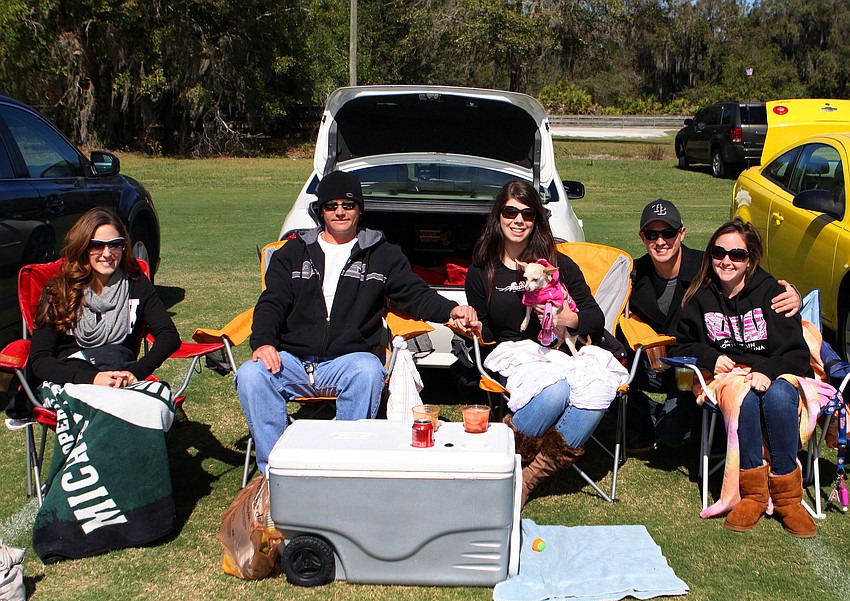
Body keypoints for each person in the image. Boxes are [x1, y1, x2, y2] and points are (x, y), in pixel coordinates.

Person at [236, 170, 479, 473]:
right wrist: (263, 343)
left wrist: (451, 310)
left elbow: (414, 294)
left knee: (367, 370)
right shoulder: (292, 253)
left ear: (360, 209)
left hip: (348, 360)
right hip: (293, 360)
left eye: (348, 205)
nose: (340, 212)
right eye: (331, 205)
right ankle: (277, 472)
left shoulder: (382, 255)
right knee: (251, 375)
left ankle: (343, 465)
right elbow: (271, 302)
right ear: (321, 211)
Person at [670, 219, 816, 538]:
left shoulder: (772, 293)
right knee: (744, 397)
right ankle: (752, 495)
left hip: (777, 370)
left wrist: (766, 371)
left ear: (749, 259)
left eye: (737, 254)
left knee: (777, 397)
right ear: (710, 255)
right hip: (732, 377)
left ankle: (788, 499)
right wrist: (710, 357)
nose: (727, 261)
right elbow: (682, 343)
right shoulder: (701, 296)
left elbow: (796, 352)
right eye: (719, 252)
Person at [465, 180, 607, 508]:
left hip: (558, 350)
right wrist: (470, 325)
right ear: (498, 216)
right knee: (558, 390)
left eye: (528, 214)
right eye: (510, 211)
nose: (519, 220)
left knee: (598, 387)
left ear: (537, 220)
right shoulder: (481, 271)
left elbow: (594, 317)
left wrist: (567, 318)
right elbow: (484, 332)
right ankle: (498, 457)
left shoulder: (557, 266)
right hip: (511, 356)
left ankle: (526, 478)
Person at [626, 199, 800, 451]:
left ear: (682, 233)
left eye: (668, 233)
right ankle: (649, 423)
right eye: (652, 234)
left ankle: (711, 430)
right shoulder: (633, 272)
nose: (661, 241)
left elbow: (754, 283)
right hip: (655, 364)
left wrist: (794, 294)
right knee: (610, 381)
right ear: (642, 237)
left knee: (673, 433)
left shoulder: (709, 266)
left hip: (692, 369)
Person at [30, 208, 180, 386]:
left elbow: (168, 335)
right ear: (83, 247)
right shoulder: (59, 290)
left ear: (124, 247)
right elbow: (40, 360)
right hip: (73, 382)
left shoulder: (136, 284)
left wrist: (135, 372)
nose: (107, 253)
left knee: (158, 407)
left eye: (115, 244)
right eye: (97, 245)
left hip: (120, 379)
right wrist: (93, 379)